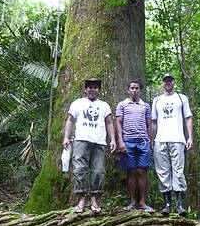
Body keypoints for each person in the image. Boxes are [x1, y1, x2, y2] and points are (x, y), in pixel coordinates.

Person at [63, 78, 116, 213]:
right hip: (81, 140)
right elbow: (70, 120)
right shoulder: (77, 104)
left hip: (99, 141)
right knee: (80, 169)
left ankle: (94, 199)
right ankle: (81, 199)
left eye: (95, 87)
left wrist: (113, 140)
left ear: (99, 90)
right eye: (90, 87)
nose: (93, 90)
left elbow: (109, 122)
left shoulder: (104, 105)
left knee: (98, 170)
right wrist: (66, 137)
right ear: (85, 89)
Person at [152, 73, 193, 215]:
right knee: (163, 172)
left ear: (174, 83)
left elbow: (188, 117)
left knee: (178, 171)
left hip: (178, 139)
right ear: (162, 83)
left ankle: (180, 205)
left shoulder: (181, 98)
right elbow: (154, 122)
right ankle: (167, 204)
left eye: (170, 81)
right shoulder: (157, 100)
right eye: (165, 81)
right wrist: (152, 140)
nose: (168, 83)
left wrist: (190, 137)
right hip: (160, 140)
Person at [116, 79, 154, 212]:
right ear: (128, 90)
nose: (134, 90)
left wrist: (150, 141)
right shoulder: (122, 105)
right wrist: (120, 141)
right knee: (131, 171)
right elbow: (118, 123)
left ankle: (142, 202)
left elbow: (149, 124)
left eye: (137, 88)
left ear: (140, 90)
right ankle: (132, 202)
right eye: (132, 88)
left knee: (142, 171)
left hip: (143, 141)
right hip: (128, 141)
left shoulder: (146, 106)